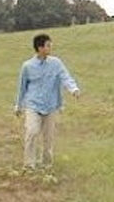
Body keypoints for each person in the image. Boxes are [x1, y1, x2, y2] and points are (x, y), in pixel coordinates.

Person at [14, 33, 80, 170]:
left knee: (48, 137)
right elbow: (22, 87)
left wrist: (73, 89)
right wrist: (18, 105)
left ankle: (46, 165)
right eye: (48, 45)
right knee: (31, 132)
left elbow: (65, 77)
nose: (51, 48)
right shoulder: (27, 66)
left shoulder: (56, 63)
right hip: (33, 104)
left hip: (51, 105)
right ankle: (29, 165)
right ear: (40, 47)